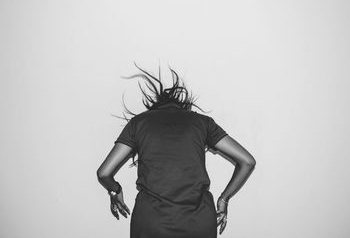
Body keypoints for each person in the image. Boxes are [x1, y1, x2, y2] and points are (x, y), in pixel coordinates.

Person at [97, 62, 256, 238]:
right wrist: (224, 199)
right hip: (198, 223)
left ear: (155, 108)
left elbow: (104, 173)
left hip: (151, 223)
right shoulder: (203, 123)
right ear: (183, 107)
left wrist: (115, 190)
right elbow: (247, 161)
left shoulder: (138, 123)